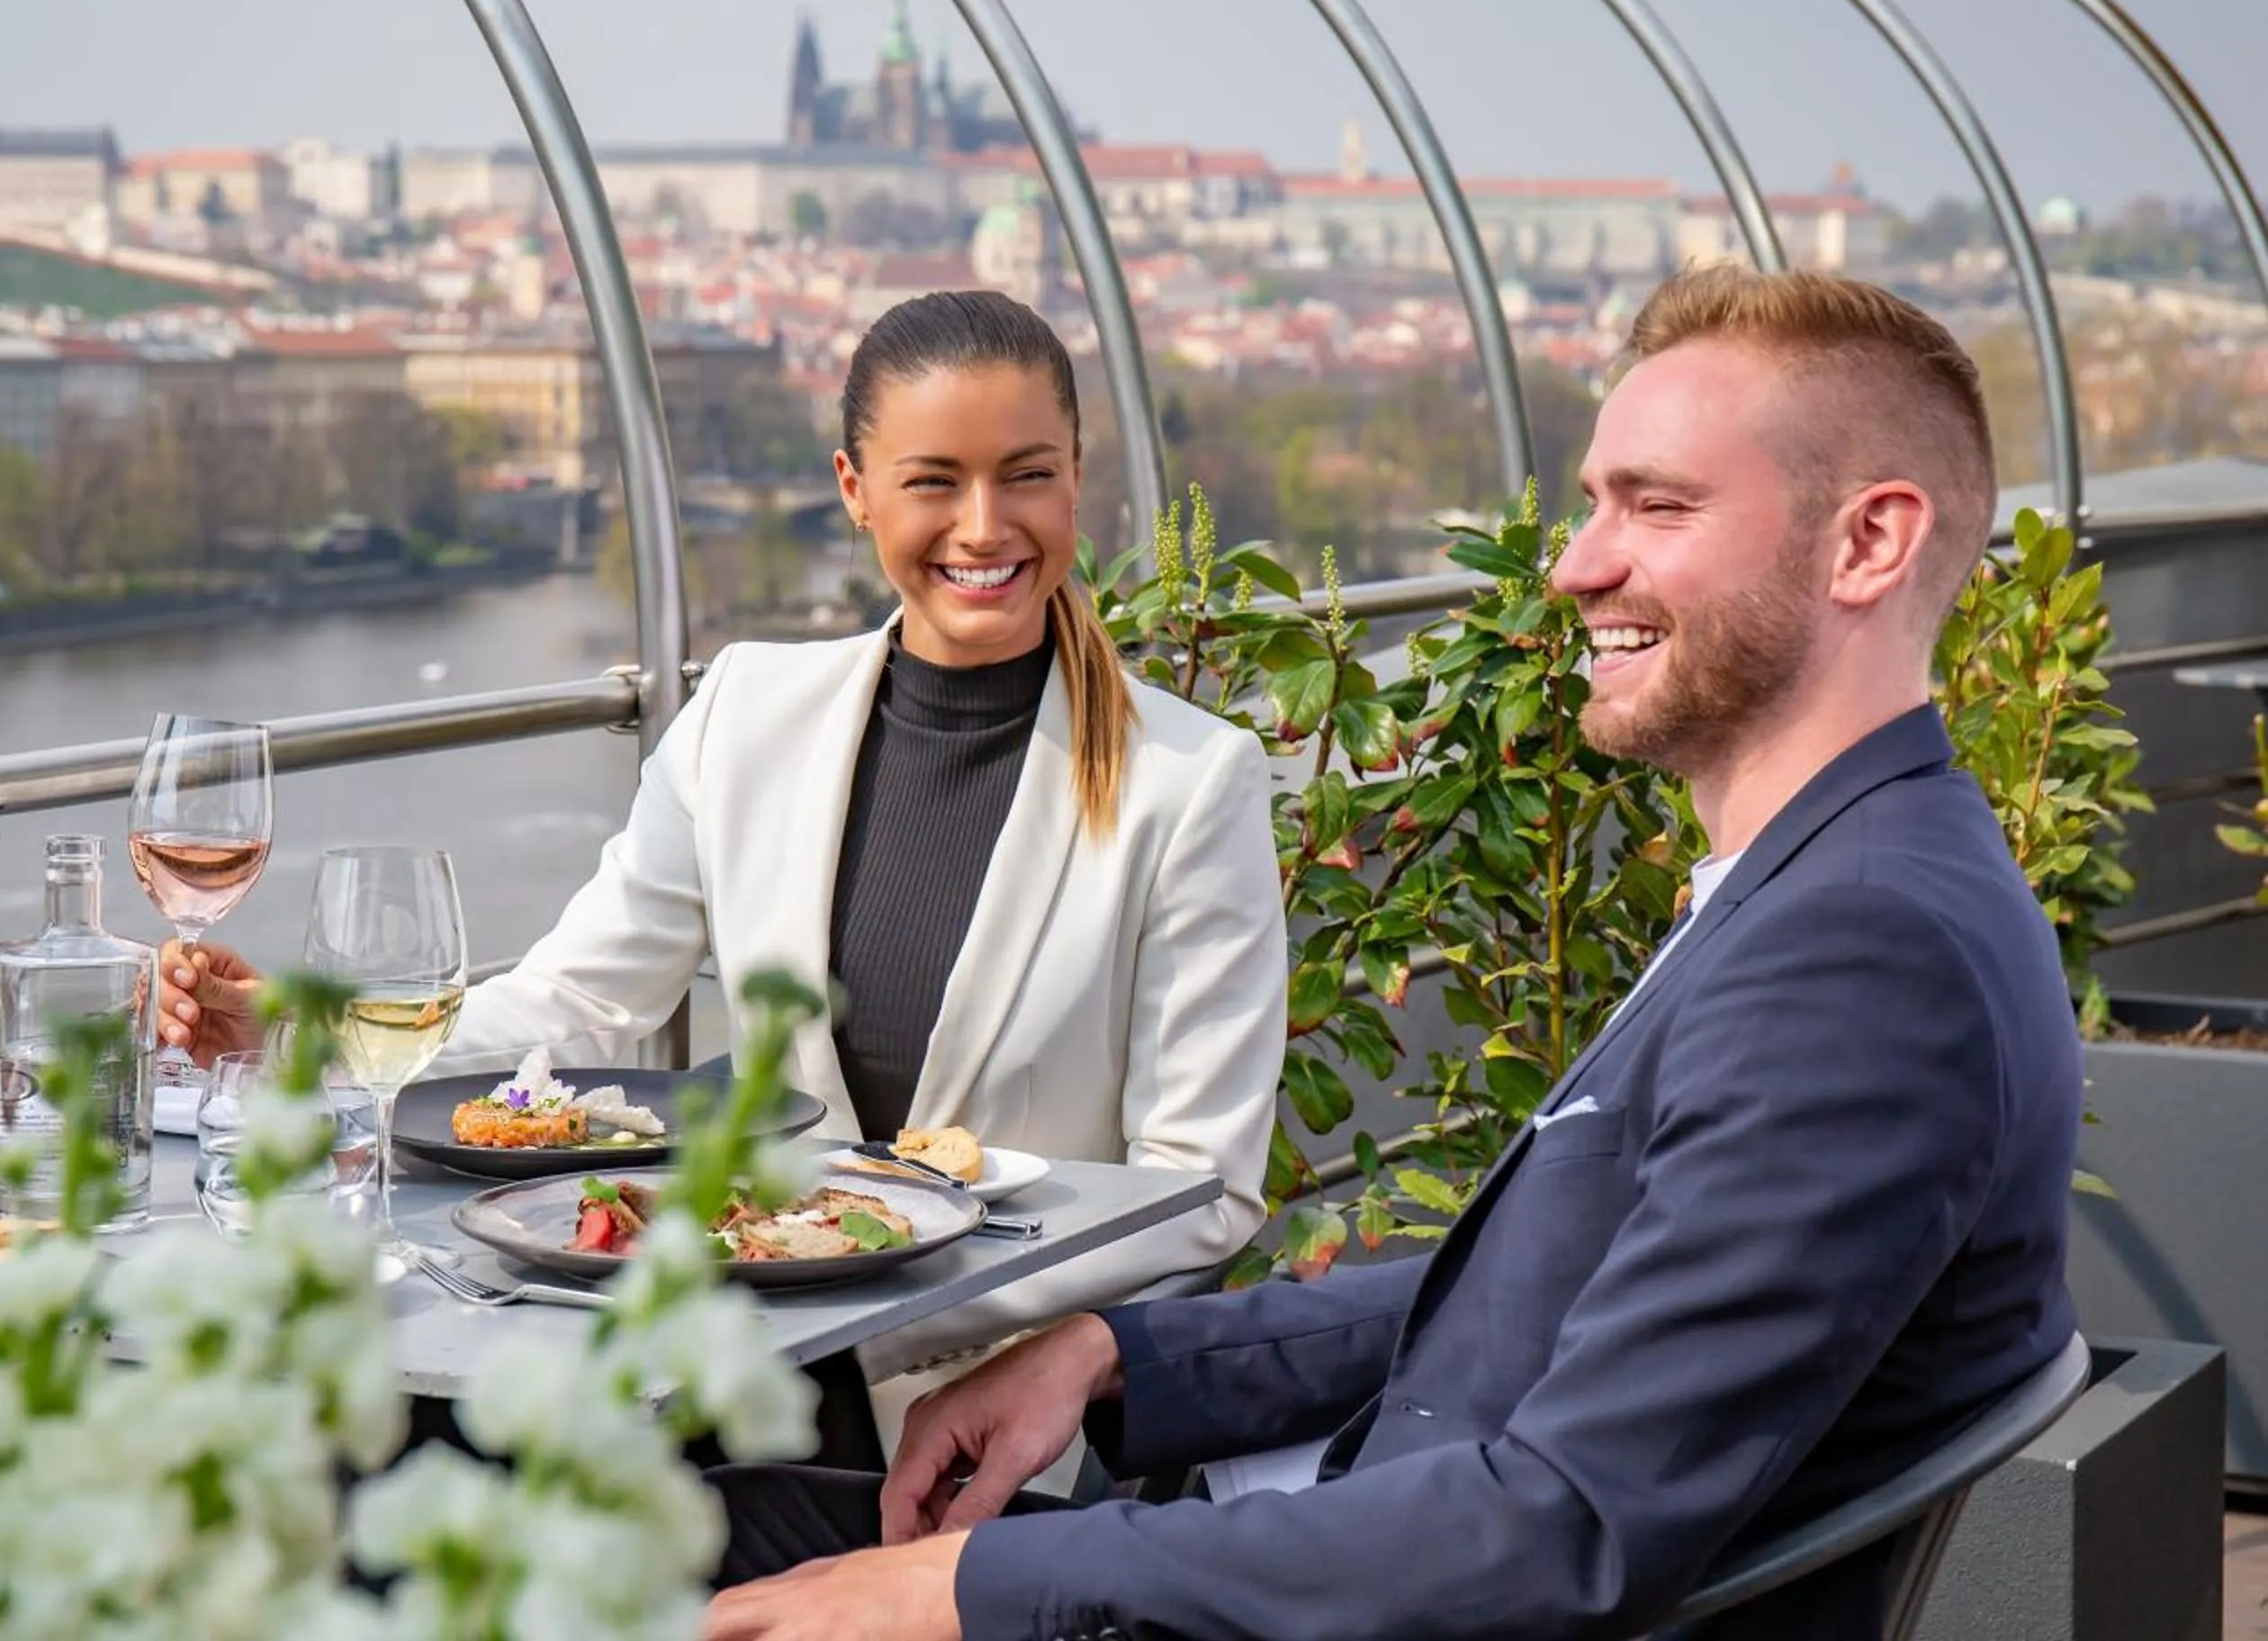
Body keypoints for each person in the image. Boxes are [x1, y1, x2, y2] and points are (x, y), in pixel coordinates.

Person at [699, 266, 2084, 1641]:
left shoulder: (1859, 956)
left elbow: (1562, 1531)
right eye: (1596, 500)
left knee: (668, 1548)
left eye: (1657, 506)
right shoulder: (1835, 886)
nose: (1575, 562)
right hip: (1359, 1540)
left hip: (1395, 1597)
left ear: (1869, 545)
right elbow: (1549, 1289)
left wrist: (976, 1589)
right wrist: (1114, 1353)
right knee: (717, 1523)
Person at [160, 287, 1287, 1405]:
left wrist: (873, 1307)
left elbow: (1202, 1193)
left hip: (979, 1410)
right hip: (721, 1374)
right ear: (854, 491)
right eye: (933, 480)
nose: (985, 526)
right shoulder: (747, 710)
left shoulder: (1189, 783)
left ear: (1077, 478)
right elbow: (578, 1006)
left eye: (1027, 473)